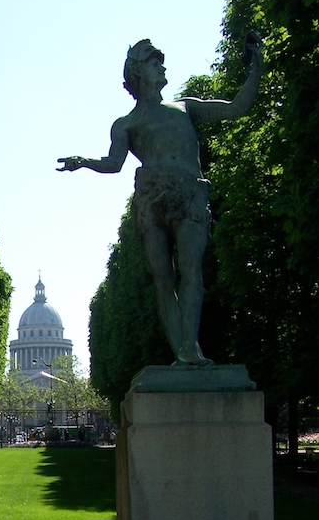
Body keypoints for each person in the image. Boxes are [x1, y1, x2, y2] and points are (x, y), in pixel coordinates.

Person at [57, 37, 263, 366]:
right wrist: (83, 160)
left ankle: (189, 349)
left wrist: (257, 67)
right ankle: (184, 350)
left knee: (192, 272)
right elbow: (114, 163)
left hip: (189, 192)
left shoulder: (185, 107)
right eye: (155, 63)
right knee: (163, 280)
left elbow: (237, 108)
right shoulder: (126, 124)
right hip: (152, 196)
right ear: (138, 73)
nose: (163, 67)